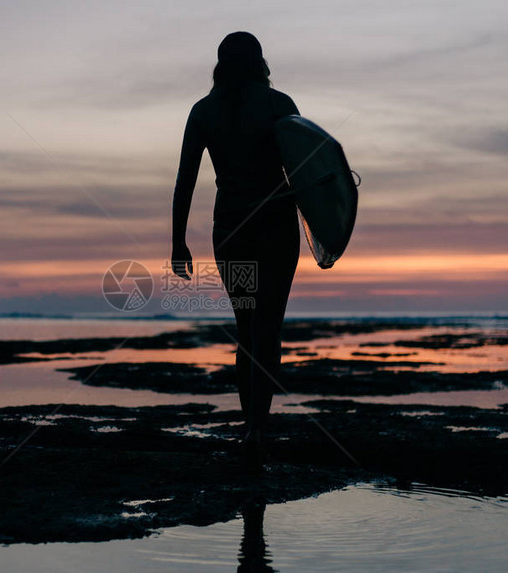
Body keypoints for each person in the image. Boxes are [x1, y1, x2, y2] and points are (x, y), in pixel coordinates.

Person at [170, 31, 301, 467]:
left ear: (220, 65)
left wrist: (178, 241)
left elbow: (185, 178)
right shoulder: (280, 105)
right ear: (260, 61)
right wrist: (326, 234)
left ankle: (250, 430)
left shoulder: (203, 111)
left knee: (246, 329)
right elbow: (308, 173)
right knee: (269, 328)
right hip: (278, 229)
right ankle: (259, 429)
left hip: (231, 232)